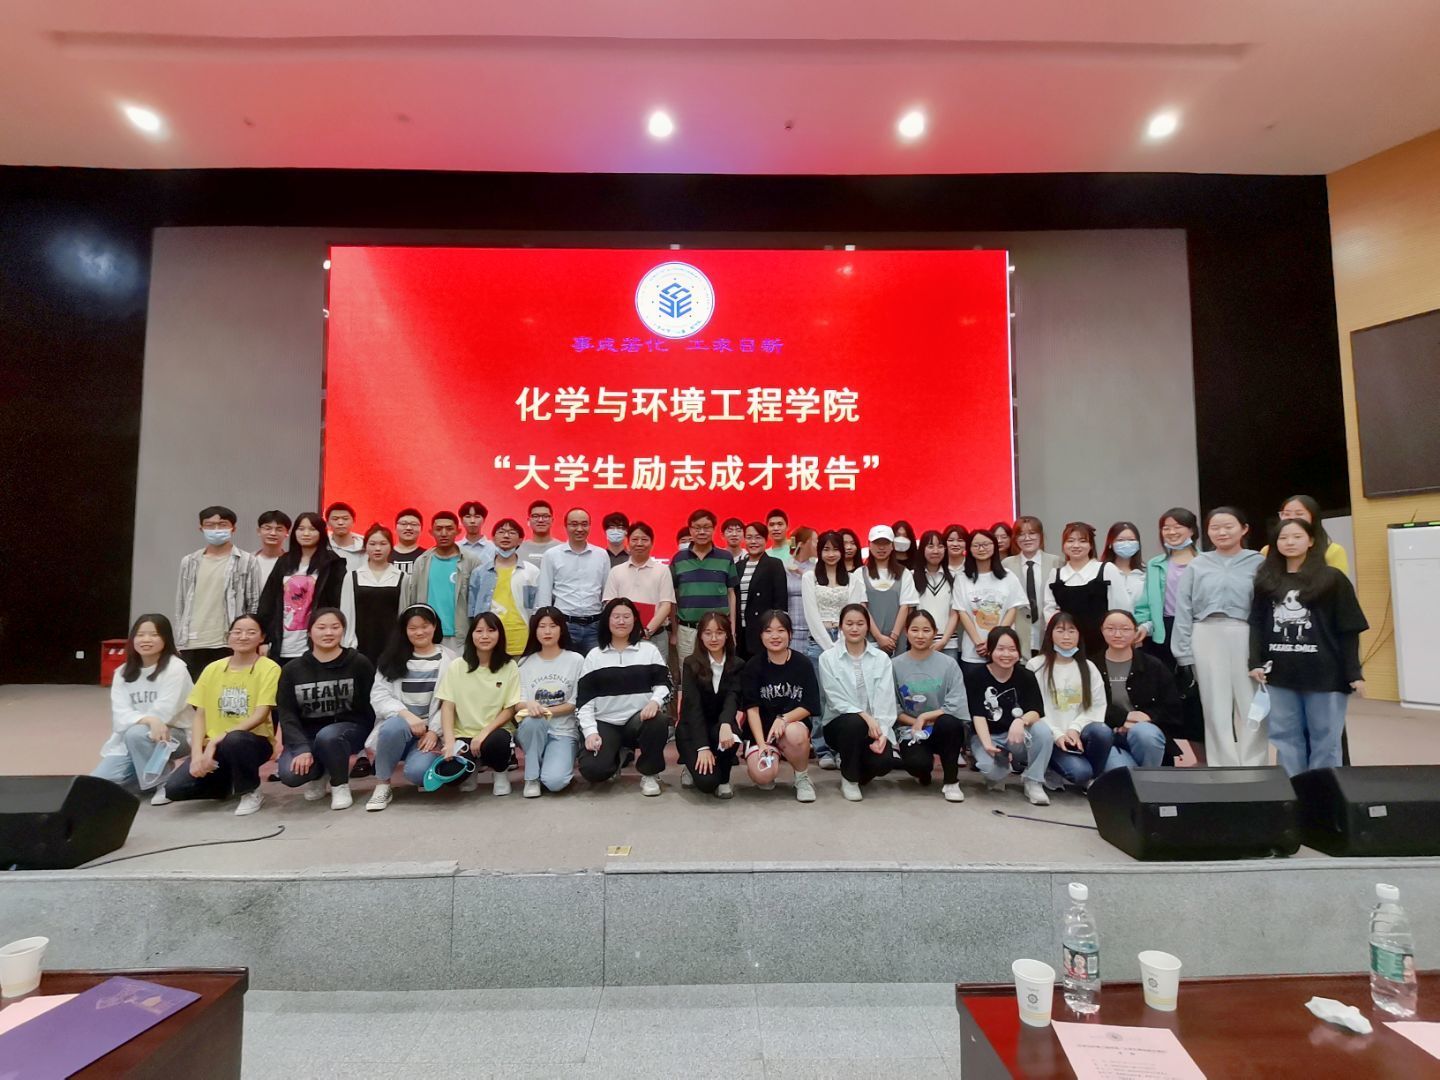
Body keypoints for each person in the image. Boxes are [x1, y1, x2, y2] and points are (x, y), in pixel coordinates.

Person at [1249, 518, 1368, 775]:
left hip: (1326, 673)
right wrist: (1255, 661)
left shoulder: (1332, 578)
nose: (1289, 542)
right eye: (1283, 538)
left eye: (1297, 537)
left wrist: (1353, 672)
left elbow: (1349, 628)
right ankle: (1294, 791)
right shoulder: (1266, 580)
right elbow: (1257, 623)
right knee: (1285, 737)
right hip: (1280, 673)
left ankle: (1323, 792)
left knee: (1326, 738)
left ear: (1311, 540)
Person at [1171, 507, 1265, 767]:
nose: (1221, 532)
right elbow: (1184, 608)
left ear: (1244, 529)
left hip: (1245, 633)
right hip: (1206, 634)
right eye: (1215, 528)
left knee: (1251, 703)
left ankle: (1255, 764)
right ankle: (1223, 764)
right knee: (1215, 705)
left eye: (1228, 526)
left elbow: (1266, 608)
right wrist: (1183, 652)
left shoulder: (1258, 562)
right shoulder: (1198, 564)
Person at [163, 614, 281, 816]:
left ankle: (250, 790)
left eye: (251, 632)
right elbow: (200, 715)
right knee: (175, 789)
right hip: (214, 746)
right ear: (228, 636)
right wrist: (197, 754)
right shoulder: (213, 669)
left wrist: (217, 740)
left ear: (261, 637)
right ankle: (228, 782)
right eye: (237, 632)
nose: (243, 636)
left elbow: (261, 714)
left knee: (234, 739)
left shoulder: (269, 668)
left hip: (250, 742)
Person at [275, 608, 376, 810]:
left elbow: (372, 703)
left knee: (329, 736)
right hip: (309, 735)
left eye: (335, 627)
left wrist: (372, 739)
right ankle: (320, 773)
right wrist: (301, 748)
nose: (328, 633)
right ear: (309, 631)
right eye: (321, 627)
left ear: (343, 630)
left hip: (349, 730)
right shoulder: (292, 670)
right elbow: (287, 714)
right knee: (290, 775)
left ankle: (340, 784)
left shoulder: (359, 663)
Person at [91, 614, 194, 799]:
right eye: (140, 635)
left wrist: (151, 722)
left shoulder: (176, 668)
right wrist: (150, 720)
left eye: (154, 635)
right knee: (99, 782)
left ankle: (161, 783)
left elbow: (167, 709)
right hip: (133, 738)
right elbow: (120, 715)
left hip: (175, 735)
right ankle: (148, 774)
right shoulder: (122, 672)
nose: (146, 640)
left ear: (165, 639)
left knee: (137, 734)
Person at [575, 598, 672, 794]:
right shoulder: (594, 656)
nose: (621, 621)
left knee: (658, 720)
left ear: (635, 620)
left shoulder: (649, 650)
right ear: (607, 620)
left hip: (638, 720)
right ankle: (617, 756)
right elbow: (584, 700)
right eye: (616, 617)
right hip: (606, 722)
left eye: (626, 617)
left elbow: (665, 684)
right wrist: (590, 731)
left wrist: (655, 701)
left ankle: (650, 773)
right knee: (593, 770)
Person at [365, 604, 456, 811]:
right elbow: (379, 696)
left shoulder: (451, 659)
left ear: (434, 626)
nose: (419, 632)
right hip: (401, 728)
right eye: (413, 628)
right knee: (392, 726)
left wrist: (434, 731)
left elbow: (452, 701)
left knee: (417, 773)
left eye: (424, 626)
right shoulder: (391, 658)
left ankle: (422, 762)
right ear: (404, 630)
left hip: (431, 733)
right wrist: (406, 716)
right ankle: (382, 784)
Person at [1136, 507, 1206, 763]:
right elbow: (1145, 604)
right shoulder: (1156, 564)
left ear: (1192, 530)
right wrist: (1144, 625)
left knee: (1197, 700)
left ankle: (1204, 760)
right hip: (1162, 635)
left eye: (1178, 527)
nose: (1171, 532)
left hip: (1197, 633)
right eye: (1166, 527)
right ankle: (1166, 760)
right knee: (1163, 698)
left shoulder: (1205, 562)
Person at [431, 612, 523, 795]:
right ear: (471, 635)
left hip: (494, 732)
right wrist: (449, 742)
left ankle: (500, 772)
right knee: (450, 775)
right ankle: (472, 767)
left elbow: (510, 708)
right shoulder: (457, 665)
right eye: (479, 631)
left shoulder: (509, 666)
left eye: (491, 630)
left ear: (500, 634)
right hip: (463, 735)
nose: (485, 636)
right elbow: (448, 706)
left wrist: (483, 733)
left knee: (497, 741)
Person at [963, 626, 1054, 805]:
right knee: (990, 771)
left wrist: (1021, 721)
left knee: (1043, 731)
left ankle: (1033, 781)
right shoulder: (976, 676)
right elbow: (978, 714)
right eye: (1001, 649)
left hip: (1016, 735)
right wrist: (987, 744)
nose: (1007, 654)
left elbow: (1036, 710)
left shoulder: (1026, 676)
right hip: (988, 735)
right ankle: (1001, 764)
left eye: (1012, 649)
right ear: (990, 650)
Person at [1028, 613, 1115, 790]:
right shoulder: (1036, 665)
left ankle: (1093, 778)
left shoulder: (1089, 667)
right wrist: (1058, 735)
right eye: (1060, 631)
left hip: (1078, 735)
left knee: (1103, 731)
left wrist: (1075, 729)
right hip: (1049, 735)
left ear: (1079, 635)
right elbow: (1032, 708)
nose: (1066, 636)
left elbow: (1097, 706)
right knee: (1079, 772)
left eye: (1071, 631)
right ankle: (1051, 768)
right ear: (1050, 634)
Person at [816, 604, 893, 801]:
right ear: (841, 626)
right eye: (849, 623)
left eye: (860, 623)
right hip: (840, 725)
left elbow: (886, 699)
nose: (854, 628)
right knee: (854, 722)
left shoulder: (881, 659)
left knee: (884, 763)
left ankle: (855, 769)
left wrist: (883, 732)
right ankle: (849, 778)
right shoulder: (828, 658)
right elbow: (835, 699)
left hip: (874, 727)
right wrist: (865, 716)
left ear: (868, 626)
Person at [175, 505, 262, 679]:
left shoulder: (247, 561)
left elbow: (254, 603)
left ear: (233, 528)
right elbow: (181, 602)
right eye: (210, 525)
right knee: (197, 692)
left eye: (222, 525)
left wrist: (249, 637)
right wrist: (179, 638)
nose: (216, 529)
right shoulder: (189, 561)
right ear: (201, 528)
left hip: (230, 641)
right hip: (193, 641)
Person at [892, 610, 971, 802]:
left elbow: (956, 704)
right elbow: (892, 707)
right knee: (917, 764)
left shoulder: (949, 664)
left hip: (943, 728)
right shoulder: (894, 665)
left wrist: (925, 717)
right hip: (911, 729)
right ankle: (923, 771)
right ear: (906, 631)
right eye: (915, 630)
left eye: (926, 630)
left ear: (935, 632)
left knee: (950, 723)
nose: (920, 635)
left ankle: (951, 781)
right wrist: (916, 722)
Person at [743, 610, 820, 802]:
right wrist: (761, 744)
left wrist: (784, 719)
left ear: (790, 634)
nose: (775, 636)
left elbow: (809, 705)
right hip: (762, 732)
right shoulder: (753, 666)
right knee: (763, 777)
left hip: (791, 727)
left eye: (781, 630)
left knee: (794, 733)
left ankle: (802, 777)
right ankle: (769, 761)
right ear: (761, 635)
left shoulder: (802, 664)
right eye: (768, 631)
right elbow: (752, 709)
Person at [255, 512, 346, 668]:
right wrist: (263, 639)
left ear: (321, 532)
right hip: (283, 642)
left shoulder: (332, 563)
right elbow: (268, 601)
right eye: (301, 529)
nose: (306, 533)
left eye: (312, 529)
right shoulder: (284, 561)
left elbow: (337, 603)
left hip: (316, 643)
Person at [514, 607, 586, 797]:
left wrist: (544, 710)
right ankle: (531, 778)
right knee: (533, 721)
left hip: (563, 732)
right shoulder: (525, 663)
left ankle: (552, 764)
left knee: (555, 782)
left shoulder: (576, 660)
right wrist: (529, 706)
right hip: (533, 729)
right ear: (534, 630)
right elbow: (518, 703)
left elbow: (574, 703)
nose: (547, 631)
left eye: (553, 626)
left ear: (561, 629)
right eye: (542, 626)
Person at [1095, 609, 1179, 769]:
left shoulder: (1153, 666)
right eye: (1110, 629)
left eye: (1125, 629)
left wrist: (1147, 718)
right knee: (1122, 772)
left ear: (1135, 631)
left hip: (1146, 734)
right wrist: (1122, 719)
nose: (1117, 634)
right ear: (1102, 630)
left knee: (1144, 732)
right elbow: (1087, 706)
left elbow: (1172, 708)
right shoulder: (1091, 666)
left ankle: (1150, 778)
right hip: (1111, 737)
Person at [676, 612, 745, 799]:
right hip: (693, 729)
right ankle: (690, 765)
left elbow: (733, 698)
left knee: (732, 734)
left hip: (719, 726)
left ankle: (724, 779)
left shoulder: (737, 664)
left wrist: (726, 723)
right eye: (708, 633)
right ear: (700, 636)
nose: (714, 638)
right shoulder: (690, 664)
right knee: (706, 784)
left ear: (727, 635)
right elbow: (693, 708)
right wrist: (702, 747)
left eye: (719, 632)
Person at [1042, 522, 1134, 657]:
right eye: (1070, 541)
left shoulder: (1106, 570)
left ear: (1091, 545)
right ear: (1063, 545)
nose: (1076, 545)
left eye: (1082, 541)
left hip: (1103, 644)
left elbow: (1122, 607)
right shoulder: (1055, 575)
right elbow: (1050, 612)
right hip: (1067, 645)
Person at [401, 511, 481, 651]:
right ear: (431, 532)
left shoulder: (471, 561)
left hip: (461, 636)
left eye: (449, 529)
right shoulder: (422, 562)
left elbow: (479, 600)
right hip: (427, 633)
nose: (444, 533)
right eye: (438, 529)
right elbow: (412, 599)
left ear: (458, 531)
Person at [535, 507, 610, 654]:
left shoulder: (601, 555)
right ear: (565, 526)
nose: (579, 529)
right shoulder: (551, 555)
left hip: (595, 626)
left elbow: (606, 593)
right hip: (564, 625)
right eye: (574, 524)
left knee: (595, 666)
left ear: (590, 526)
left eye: (584, 524)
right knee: (564, 666)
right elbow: (544, 593)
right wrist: (545, 625)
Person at [671, 508, 740, 659]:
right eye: (697, 528)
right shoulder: (678, 559)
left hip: (719, 630)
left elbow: (731, 594)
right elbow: (673, 597)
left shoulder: (725, 557)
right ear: (690, 530)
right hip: (688, 630)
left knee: (719, 670)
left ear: (713, 529)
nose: (702, 532)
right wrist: (675, 632)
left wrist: (732, 630)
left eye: (706, 527)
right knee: (688, 672)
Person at [953, 528, 1027, 670]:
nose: (981, 549)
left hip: (1003, 651)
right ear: (969, 549)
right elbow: (962, 612)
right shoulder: (961, 578)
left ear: (994, 546)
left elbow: (1012, 610)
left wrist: (994, 643)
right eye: (976, 545)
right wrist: (979, 643)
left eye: (986, 544)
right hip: (973, 652)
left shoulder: (1008, 576)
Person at [468, 517, 539, 657]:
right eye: (501, 532)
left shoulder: (531, 572)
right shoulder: (479, 573)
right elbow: (472, 611)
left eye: (512, 532)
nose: (506, 536)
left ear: (520, 540)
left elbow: (534, 608)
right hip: (488, 640)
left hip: (521, 639)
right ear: (493, 539)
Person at [603, 522, 676, 657]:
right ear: (628, 542)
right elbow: (610, 604)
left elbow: (666, 605)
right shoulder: (616, 571)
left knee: (657, 670)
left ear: (652, 543)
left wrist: (646, 631)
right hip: (623, 637)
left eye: (644, 539)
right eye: (635, 539)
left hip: (656, 636)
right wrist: (626, 629)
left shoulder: (662, 570)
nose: (639, 543)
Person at [339, 524, 404, 662]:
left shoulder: (402, 577)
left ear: (391, 546)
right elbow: (346, 612)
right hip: (360, 644)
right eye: (372, 544)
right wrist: (348, 644)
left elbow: (403, 614)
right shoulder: (352, 576)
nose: (378, 548)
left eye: (383, 544)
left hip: (392, 644)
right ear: (365, 546)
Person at [1003, 516, 1061, 658]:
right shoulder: (1007, 564)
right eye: (1021, 534)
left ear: (1041, 536)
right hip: (1018, 629)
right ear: (1015, 538)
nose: (1027, 538)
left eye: (1032, 533)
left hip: (1046, 628)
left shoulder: (1056, 562)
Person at [736, 522, 790, 660]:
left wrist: (775, 631)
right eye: (749, 537)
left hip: (763, 630)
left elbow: (780, 601)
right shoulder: (738, 566)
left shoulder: (774, 564)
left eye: (758, 537)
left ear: (766, 539)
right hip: (741, 631)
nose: (753, 542)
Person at [863, 525, 919, 655]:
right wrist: (879, 637)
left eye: (885, 543)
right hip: (868, 643)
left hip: (897, 644)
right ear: (869, 545)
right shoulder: (859, 574)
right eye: (877, 543)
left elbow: (905, 607)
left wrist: (893, 638)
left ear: (892, 545)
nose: (881, 548)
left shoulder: (905, 573)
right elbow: (862, 607)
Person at [1261, 494, 1350, 573]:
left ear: (1313, 517)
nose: (1292, 518)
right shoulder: (1266, 551)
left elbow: (1338, 584)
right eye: (1286, 514)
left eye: (1299, 514)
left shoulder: (1333, 551)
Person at [911, 531, 960, 659]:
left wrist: (944, 641)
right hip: (919, 642)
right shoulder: (911, 576)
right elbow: (909, 612)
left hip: (948, 644)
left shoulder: (955, 577)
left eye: (940, 546)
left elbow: (954, 613)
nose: (936, 551)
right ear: (922, 549)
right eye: (930, 546)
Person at [1102, 522, 1148, 628]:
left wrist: (1145, 626)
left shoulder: (1147, 572)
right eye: (1120, 540)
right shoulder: (1101, 571)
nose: (1126, 544)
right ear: (1110, 543)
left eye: (1131, 540)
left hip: (1140, 631)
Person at [784, 526, 818, 657]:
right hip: (790, 630)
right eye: (815, 541)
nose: (818, 545)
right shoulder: (784, 567)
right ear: (803, 543)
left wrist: (802, 572)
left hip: (812, 631)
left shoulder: (817, 568)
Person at [517, 499, 560, 569]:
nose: (540, 520)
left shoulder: (562, 548)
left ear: (552, 521)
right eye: (535, 516)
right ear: (528, 521)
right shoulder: (518, 549)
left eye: (545, 516)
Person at [254, 510, 291, 588]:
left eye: (279, 529)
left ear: (287, 533)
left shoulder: (292, 563)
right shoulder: (248, 561)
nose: (273, 533)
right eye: (268, 528)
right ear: (259, 531)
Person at [325, 501, 365, 568]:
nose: (340, 523)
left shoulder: (366, 547)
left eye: (345, 519)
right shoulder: (322, 546)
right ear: (327, 523)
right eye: (335, 519)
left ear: (354, 521)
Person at [391, 508, 427, 573]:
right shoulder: (385, 555)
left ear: (421, 529)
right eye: (403, 524)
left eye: (414, 524)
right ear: (395, 528)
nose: (408, 528)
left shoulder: (427, 556)